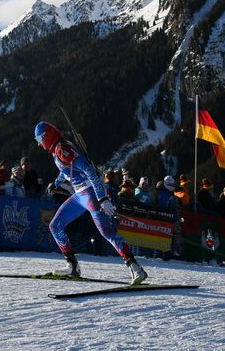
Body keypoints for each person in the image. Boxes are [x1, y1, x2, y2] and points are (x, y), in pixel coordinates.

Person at [34, 121, 148, 285]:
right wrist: (56, 183)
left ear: (46, 136)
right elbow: (65, 170)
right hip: (80, 195)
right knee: (55, 225)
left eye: (39, 139)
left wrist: (102, 198)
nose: (39, 144)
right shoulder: (57, 150)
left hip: (89, 193)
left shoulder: (63, 149)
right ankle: (72, 266)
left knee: (106, 232)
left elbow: (88, 170)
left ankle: (135, 267)